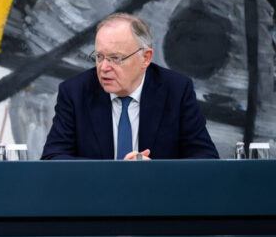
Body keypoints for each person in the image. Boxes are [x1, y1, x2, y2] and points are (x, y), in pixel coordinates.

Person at [41, 13, 219, 160]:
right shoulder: (75, 92)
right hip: (98, 200)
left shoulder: (176, 90)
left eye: (115, 58)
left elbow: (205, 158)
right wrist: (116, 172)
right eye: (99, 56)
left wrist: (157, 171)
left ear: (146, 58)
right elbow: (53, 158)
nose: (104, 67)